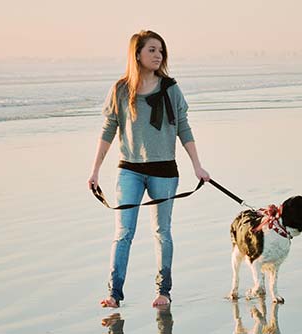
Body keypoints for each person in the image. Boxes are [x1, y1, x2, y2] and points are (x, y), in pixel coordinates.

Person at [88, 30, 211, 308]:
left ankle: (163, 291)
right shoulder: (120, 90)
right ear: (137, 54)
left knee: (162, 232)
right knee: (123, 232)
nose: (158, 55)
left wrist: (197, 166)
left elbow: (183, 127)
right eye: (152, 50)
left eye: (161, 51)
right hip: (128, 169)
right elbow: (108, 129)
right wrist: (94, 170)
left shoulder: (170, 88)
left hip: (164, 171)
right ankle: (114, 293)